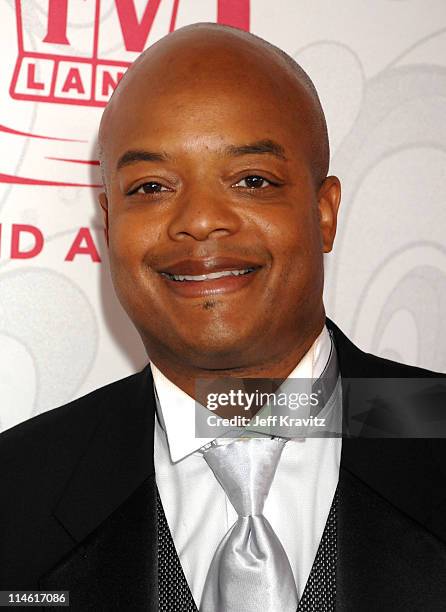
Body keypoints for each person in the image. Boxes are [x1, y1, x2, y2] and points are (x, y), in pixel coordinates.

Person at [1, 22, 446, 612]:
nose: (201, 220)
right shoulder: (17, 486)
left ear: (324, 212)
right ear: (108, 226)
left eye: (252, 181)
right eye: (152, 186)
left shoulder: (431, 425)